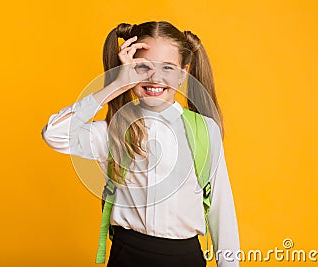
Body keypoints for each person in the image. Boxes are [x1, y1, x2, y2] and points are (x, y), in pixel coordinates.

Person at [41, 21, 240, 267]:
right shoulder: (113, 131)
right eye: (142, 66)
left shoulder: (203, 130)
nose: (155, 77)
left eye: (167, 67)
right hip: (127, 256)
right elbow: (54, 133)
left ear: (183, 74)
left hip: (184, 258)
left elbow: (222, 212)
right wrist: (116, 85)